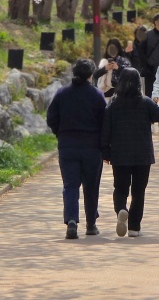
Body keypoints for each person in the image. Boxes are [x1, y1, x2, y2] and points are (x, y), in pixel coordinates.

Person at [101, 68, 159, 237]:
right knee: (138, 191)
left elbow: (106, 130)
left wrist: (105, 152)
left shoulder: (113, 104)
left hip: (120, 155)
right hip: (142, 155)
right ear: (138, 83)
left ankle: (121, 209)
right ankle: (134, 227)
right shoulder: (145, 102)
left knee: (120, 189)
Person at [46, 58, 107, 239]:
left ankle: (71, 221)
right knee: (91, 185)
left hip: (67, 145)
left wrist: (60, 133)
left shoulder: (62, 93)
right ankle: (91, 223)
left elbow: (51, 118)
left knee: (70, 185)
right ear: (91, 74)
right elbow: (104, 121)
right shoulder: (96, 95)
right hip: (91, 146)